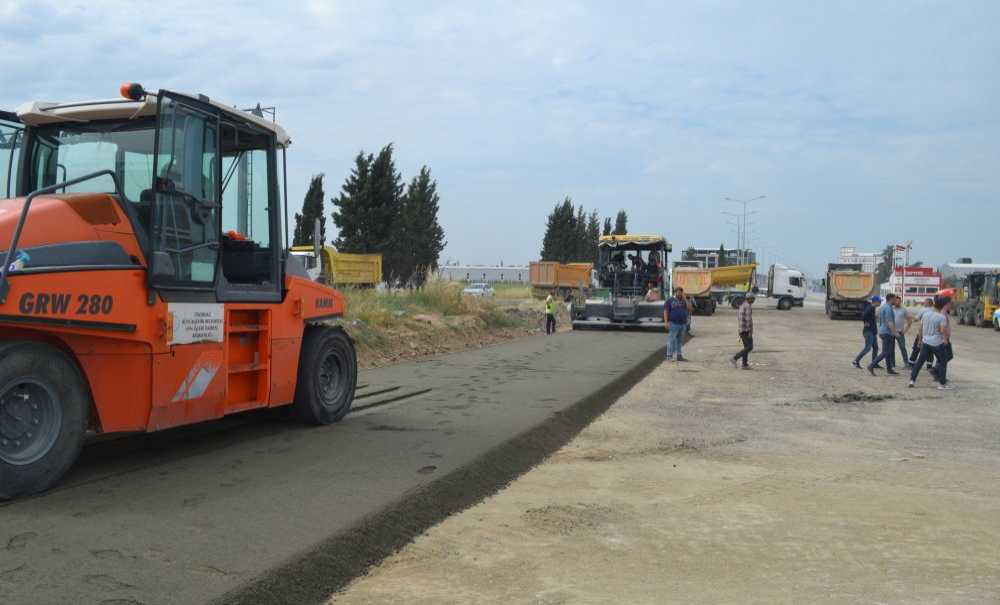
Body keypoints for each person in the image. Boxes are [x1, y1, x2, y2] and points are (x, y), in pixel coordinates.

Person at [909, 295, 953, 390]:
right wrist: (945, 339)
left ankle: (912, 380)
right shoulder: (941, 317)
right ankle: (942, 384)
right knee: (943, 362)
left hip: (926, 341)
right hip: (937, 343)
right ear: (942, 306)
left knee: (919, 362)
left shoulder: (926, 315)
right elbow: (942, 330)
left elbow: (920, 328)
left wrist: (920, 340)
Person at [868, 293, 901, 375]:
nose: (896, 301)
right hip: (887, 332)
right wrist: (895, 333)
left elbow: (878, 317)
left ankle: (889, 369)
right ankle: (871, 366)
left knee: (888, 351)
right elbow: (889, 322)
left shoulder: (883, 307)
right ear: (891, 299)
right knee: (886, 352)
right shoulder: (888, 308)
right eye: (895, 299)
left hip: (883, 331)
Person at [853, 295, 882, 369]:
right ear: (875, 301)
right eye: (879, 301)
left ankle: (874, 363)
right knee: (867, 348)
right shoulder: (870, 307)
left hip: (873, 332)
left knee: (875, 348)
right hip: (869, 332)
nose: (880, 302)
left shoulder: (872, 308)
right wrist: (865, 322)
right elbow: (863, 315)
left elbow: (868, 316)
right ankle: (856, 361)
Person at [664, 287, 689, 362]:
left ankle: (679, 355)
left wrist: (685, 299)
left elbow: (690, 308)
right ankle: (669, 356)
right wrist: (666, 322)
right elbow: (666, 311)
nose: (680, 293)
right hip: (673, 323)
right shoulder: (670, 300)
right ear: (675, 292)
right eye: (678, 292)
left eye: (681, 292)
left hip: (683, 324)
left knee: (680, 341)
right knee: (671, 340)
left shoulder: (684, 301)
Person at [730, 293, 755, 369]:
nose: (753, 301)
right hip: (746, 330)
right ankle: (735, 358)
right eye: (753, 299)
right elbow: (748, 320)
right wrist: (750, 331)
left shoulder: (742, 305)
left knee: (746, 347)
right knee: (750, 347)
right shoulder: (748, 306)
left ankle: (744, 365)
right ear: (749, 299)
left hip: (741, 330)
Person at [909, 298, 935, 365]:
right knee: (930, 348)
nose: (923, 303)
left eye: (925, 302)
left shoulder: (923, 310)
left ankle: (912, 361)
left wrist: (909, 317)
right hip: (932, 333)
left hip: (923, 332)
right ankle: (929, 364)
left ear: (928, 303)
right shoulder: (935, 311)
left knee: (917, 347)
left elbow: (916, 319)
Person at [893, 300, 914, 368]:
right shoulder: (890, 309)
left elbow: (909, 321)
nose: (897, 302)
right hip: (891, 331)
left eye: (899, 301)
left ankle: (906, 363)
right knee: (891, 348)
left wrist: (905, 330)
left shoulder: (903, 310)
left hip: (900, 332)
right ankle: (892, 363)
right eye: (896, 301)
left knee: (902, 347)